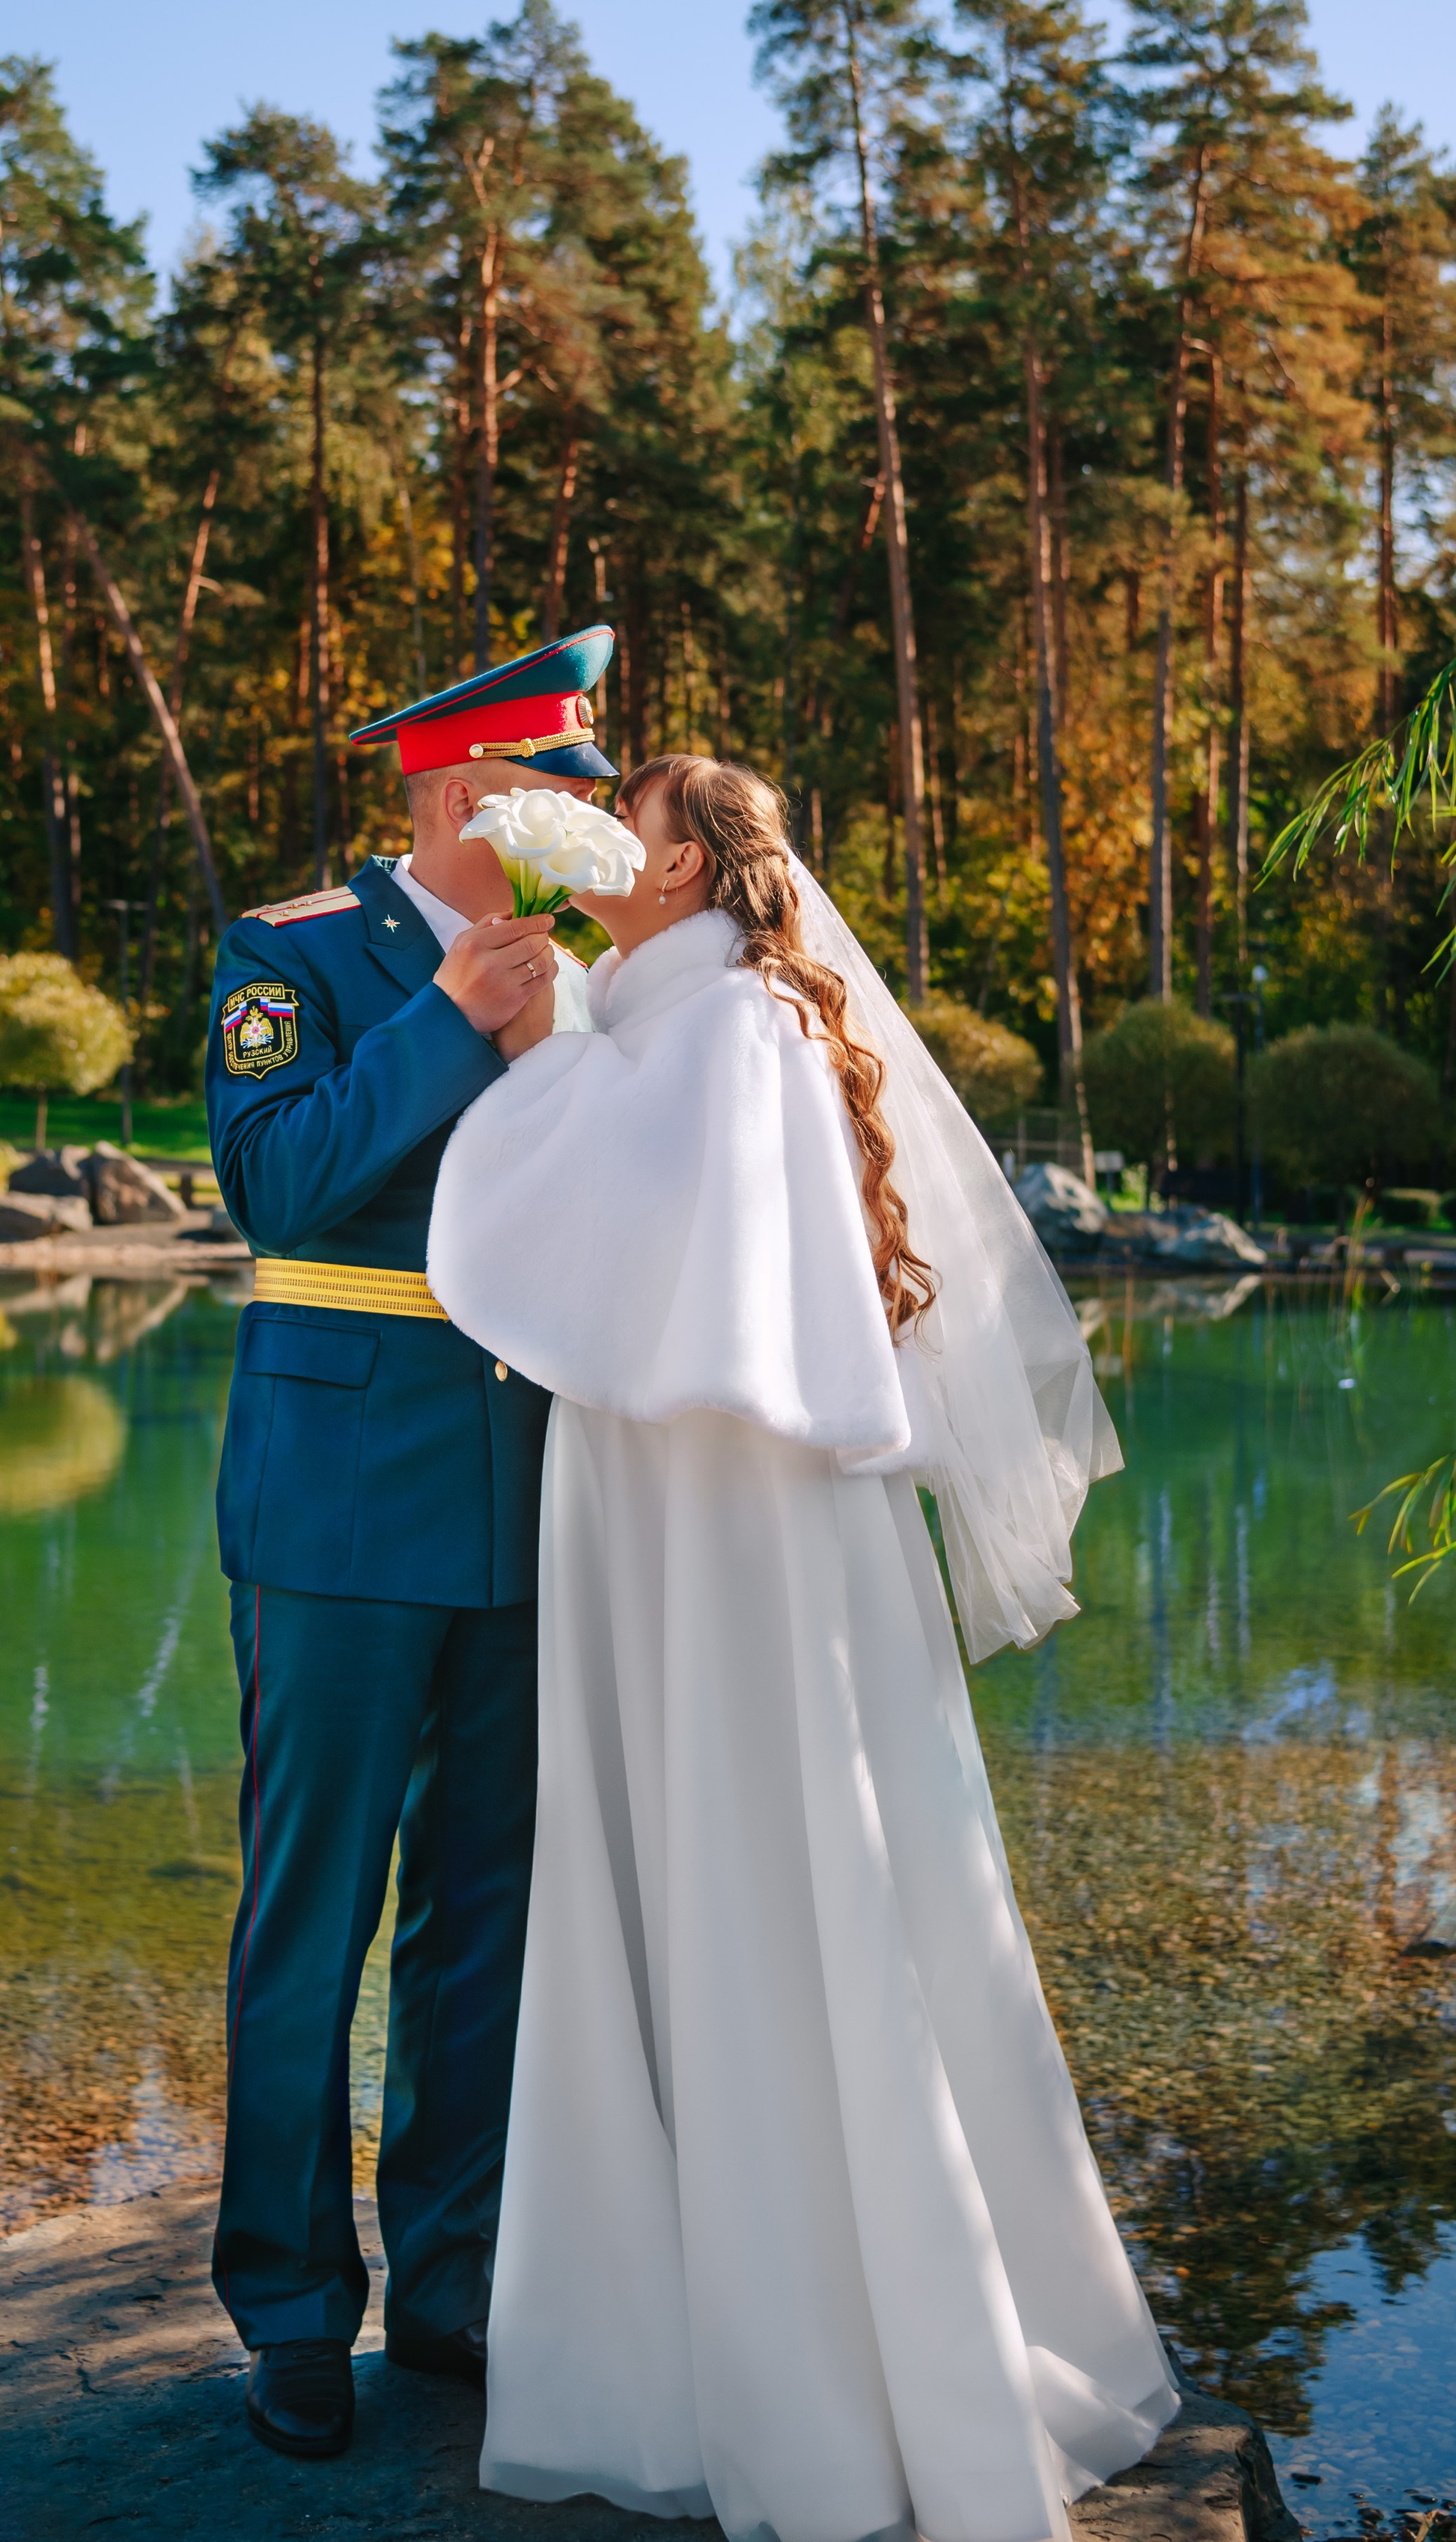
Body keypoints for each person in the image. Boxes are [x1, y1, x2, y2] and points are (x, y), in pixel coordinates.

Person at [427, 754, 1180, 2542]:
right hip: (682, 1503)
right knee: (689, 1863)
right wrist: (558, 1039)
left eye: (627, 824)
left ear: (683, 863)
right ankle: (692, 2319)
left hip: (728, 1527)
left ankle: (817, 2372)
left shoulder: (735, 1026)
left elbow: (609, 1216)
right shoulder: (681, 1012)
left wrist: (533, 1055)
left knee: (762, 1869)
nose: (596, 843)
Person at [204, 627, 613, 2464]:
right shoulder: (288, 952)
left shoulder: (585, 972)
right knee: (313, 1918)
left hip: (532, 1489)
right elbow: (279, 1183)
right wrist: (452, 1021)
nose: (590, 819)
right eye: (563, 787)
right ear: (465, 792)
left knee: (485, 1919)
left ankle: (451, 2281)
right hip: (341, 1493)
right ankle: (290, 2304)